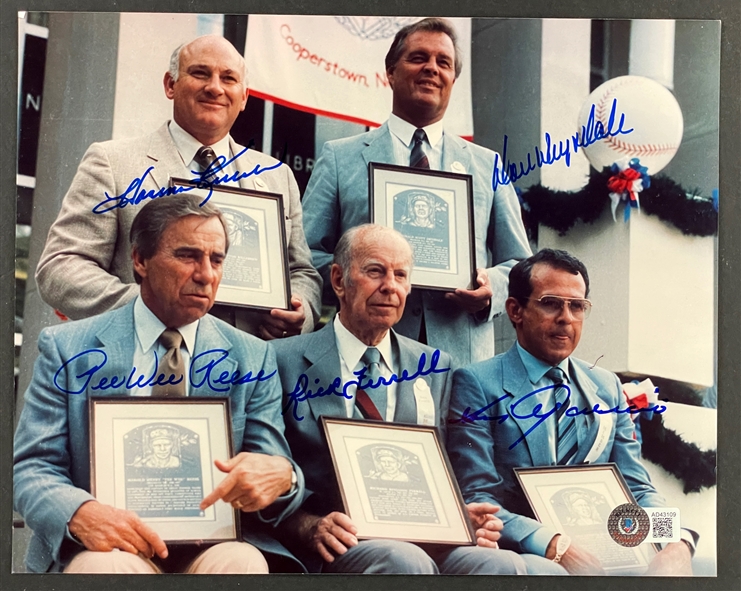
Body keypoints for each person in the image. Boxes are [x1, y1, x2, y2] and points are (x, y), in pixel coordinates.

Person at [14, 194, 304, 574]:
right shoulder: (68, 347)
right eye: (188, 256)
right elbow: (32, 466)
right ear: (140, 260)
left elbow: (270, 466)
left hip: (212, 545)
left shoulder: (253, 356)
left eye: (216, 259)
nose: (206, 274)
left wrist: (282, 476)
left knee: (243, 563)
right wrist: (80, 513)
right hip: (110, 545)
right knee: (104, 570)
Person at [270, 224, 563, 575]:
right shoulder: (279, 360)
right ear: (338, 280)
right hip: (332, 541)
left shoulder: (436, 367)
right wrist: (306, 524)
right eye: (375, 271)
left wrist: (459, 516)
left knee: (500, 564)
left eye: (401, 275)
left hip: (423, 539)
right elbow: (266, 467)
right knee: (403, 561)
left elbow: (448, 472)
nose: (390, 287)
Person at [35, 34, 321, 340]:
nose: (214, 87)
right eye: (200, 73)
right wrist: (147, 308)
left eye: (228, 78)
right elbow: (60, 267)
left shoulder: (278, 176)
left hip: (251, 372)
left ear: (243, 97)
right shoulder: (112, 163)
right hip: (147, 365)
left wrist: (299, 310)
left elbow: (303, 273)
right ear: (171, 85)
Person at [446, 248, 697, 575]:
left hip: (607, 543)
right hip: (528, 552)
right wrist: (553, 544)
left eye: (577, 306)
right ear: (515, 310)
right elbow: (478, 497)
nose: (566, 318)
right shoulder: (476, 384)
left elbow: (637, 487)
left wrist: (675, 539)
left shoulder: (605, 386)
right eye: (551, 303)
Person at [302, 18, 532, 367]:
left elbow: (520, 264)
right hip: (365, 352)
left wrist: (490, 289)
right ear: (390, 71)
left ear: (454, 79)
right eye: (418, 58)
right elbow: (306, 254)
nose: (431, 69)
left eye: (444, 62)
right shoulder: (340, 157)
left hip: (461, 360)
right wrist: (355, 277)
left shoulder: (487, 165)